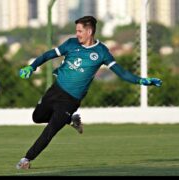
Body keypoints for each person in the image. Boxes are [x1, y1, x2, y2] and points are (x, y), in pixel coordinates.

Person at [16, 16, 162, 170]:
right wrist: (32, 67)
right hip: (55, 90)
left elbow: (122, 73)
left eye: (80, 31)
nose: (77, 34)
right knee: (37, 117)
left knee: (51, 129)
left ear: (89, 31)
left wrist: (142, 81)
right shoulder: (71, 44)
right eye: (76, 31)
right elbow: (48, 55)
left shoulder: (101, 52)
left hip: (70, 101)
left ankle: (26, 159)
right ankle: (71, 120)